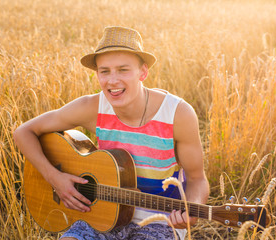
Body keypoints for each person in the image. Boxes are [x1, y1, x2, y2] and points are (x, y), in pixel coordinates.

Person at [14, 26, 209, 240]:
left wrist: (193, 209)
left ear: (143, 72)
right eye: (104, 71)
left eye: (123, 70)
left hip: (159, 221)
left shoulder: (177, 114)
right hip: (101, 214)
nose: (112, 80)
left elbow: (197, 178)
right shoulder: (92, 107)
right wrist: (55, 178)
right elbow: (24, 132)